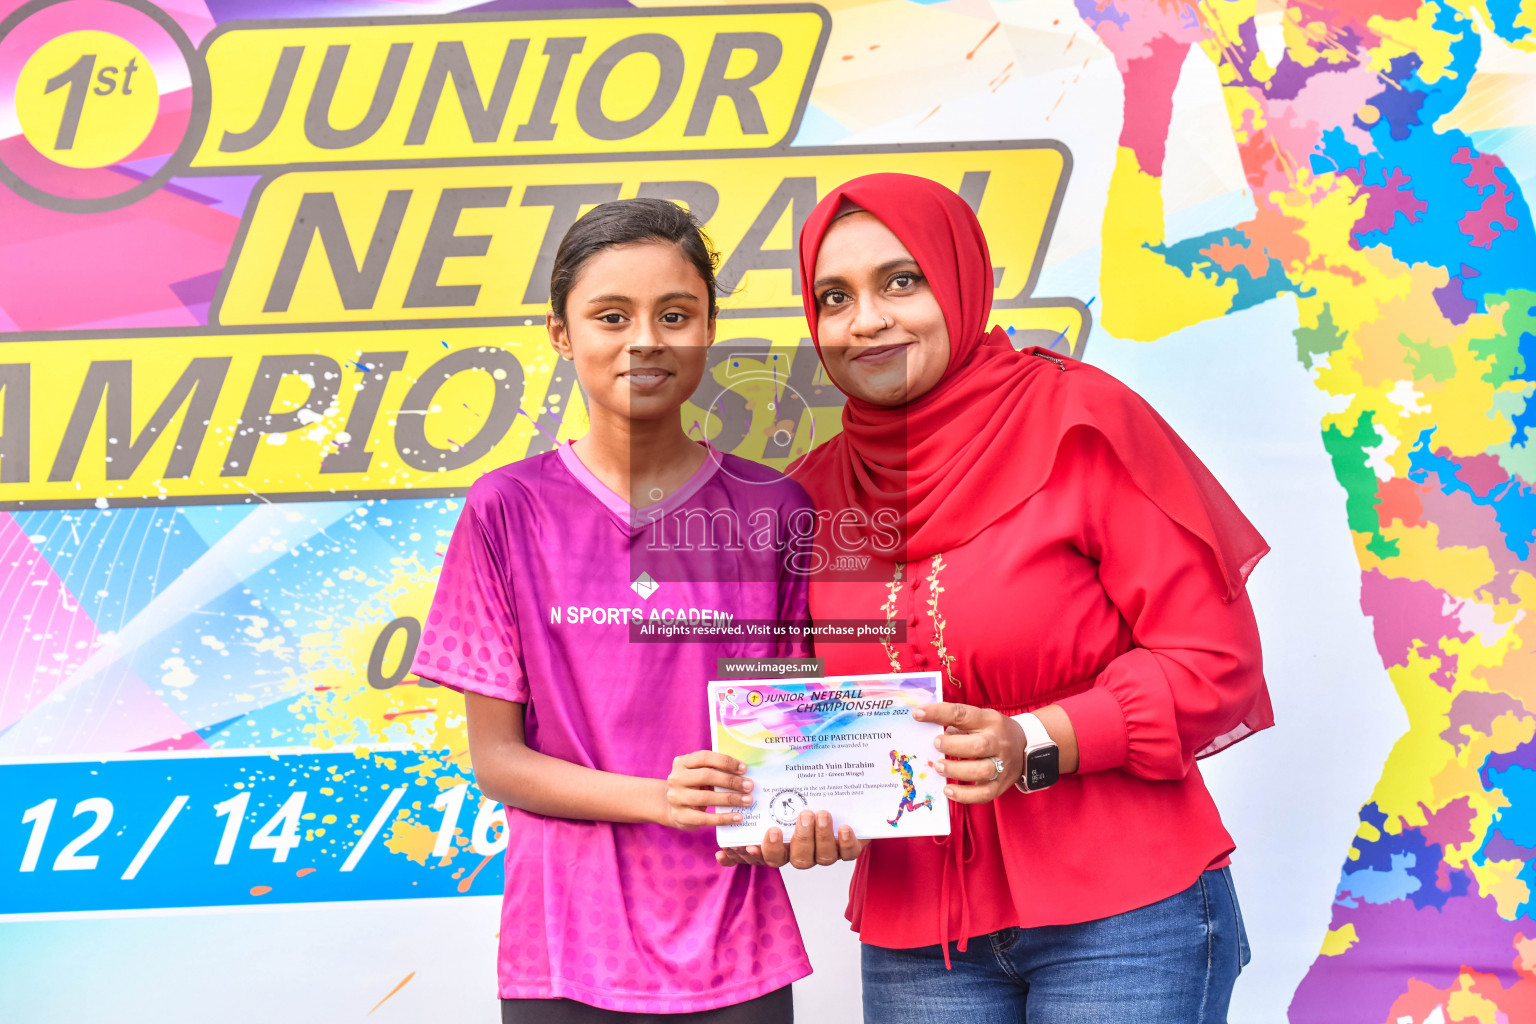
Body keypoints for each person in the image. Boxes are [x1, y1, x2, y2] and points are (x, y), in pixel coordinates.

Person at [725, 173, 1273, 1023]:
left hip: (1126, 913)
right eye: (835, 296)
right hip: (921, 935)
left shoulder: (1079, 424)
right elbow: (798, 712)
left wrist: (1033, 741)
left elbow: (1215, 668)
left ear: (958, 280)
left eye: (900, 282)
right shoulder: (809, 497)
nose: (866, 319)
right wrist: (798, 806)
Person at [410, 198, 814, 1023]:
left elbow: (792, 742)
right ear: (561, 333)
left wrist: (814, 811)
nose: (645, 340)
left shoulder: (775, 510)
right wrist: (658, 798)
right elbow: (498, 761)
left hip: (735, 943)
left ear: (707, 326)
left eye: (676, 314)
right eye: (610, 315)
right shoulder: (505, 509)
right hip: (564, 949)